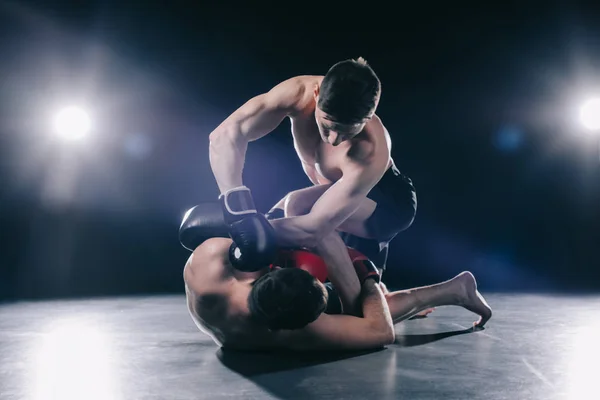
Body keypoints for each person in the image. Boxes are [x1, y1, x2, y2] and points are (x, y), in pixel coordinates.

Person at [208, 57, 417, 315]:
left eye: (347, 132)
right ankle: (457, 289)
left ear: (368, 117)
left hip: (388, 205)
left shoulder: (371, 150)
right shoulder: (298, 93)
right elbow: (225, 134)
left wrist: (243, 228)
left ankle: (357, 318)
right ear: (316, 95)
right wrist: (236, 209)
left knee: (300, 210)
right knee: (374, 294)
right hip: (340, 195)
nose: (334, 140)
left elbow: (314, 229)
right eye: (328, 126)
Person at [179, 202, 492, 351]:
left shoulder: (207, 262)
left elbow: (244, 226)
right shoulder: (297, 332)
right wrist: (366, 274)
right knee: (357, 310)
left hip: (242, 324)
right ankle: (455, 290)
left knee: (299, 228)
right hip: (261, 331)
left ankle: (454, 290)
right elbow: (380, 332)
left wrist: (274, 231)